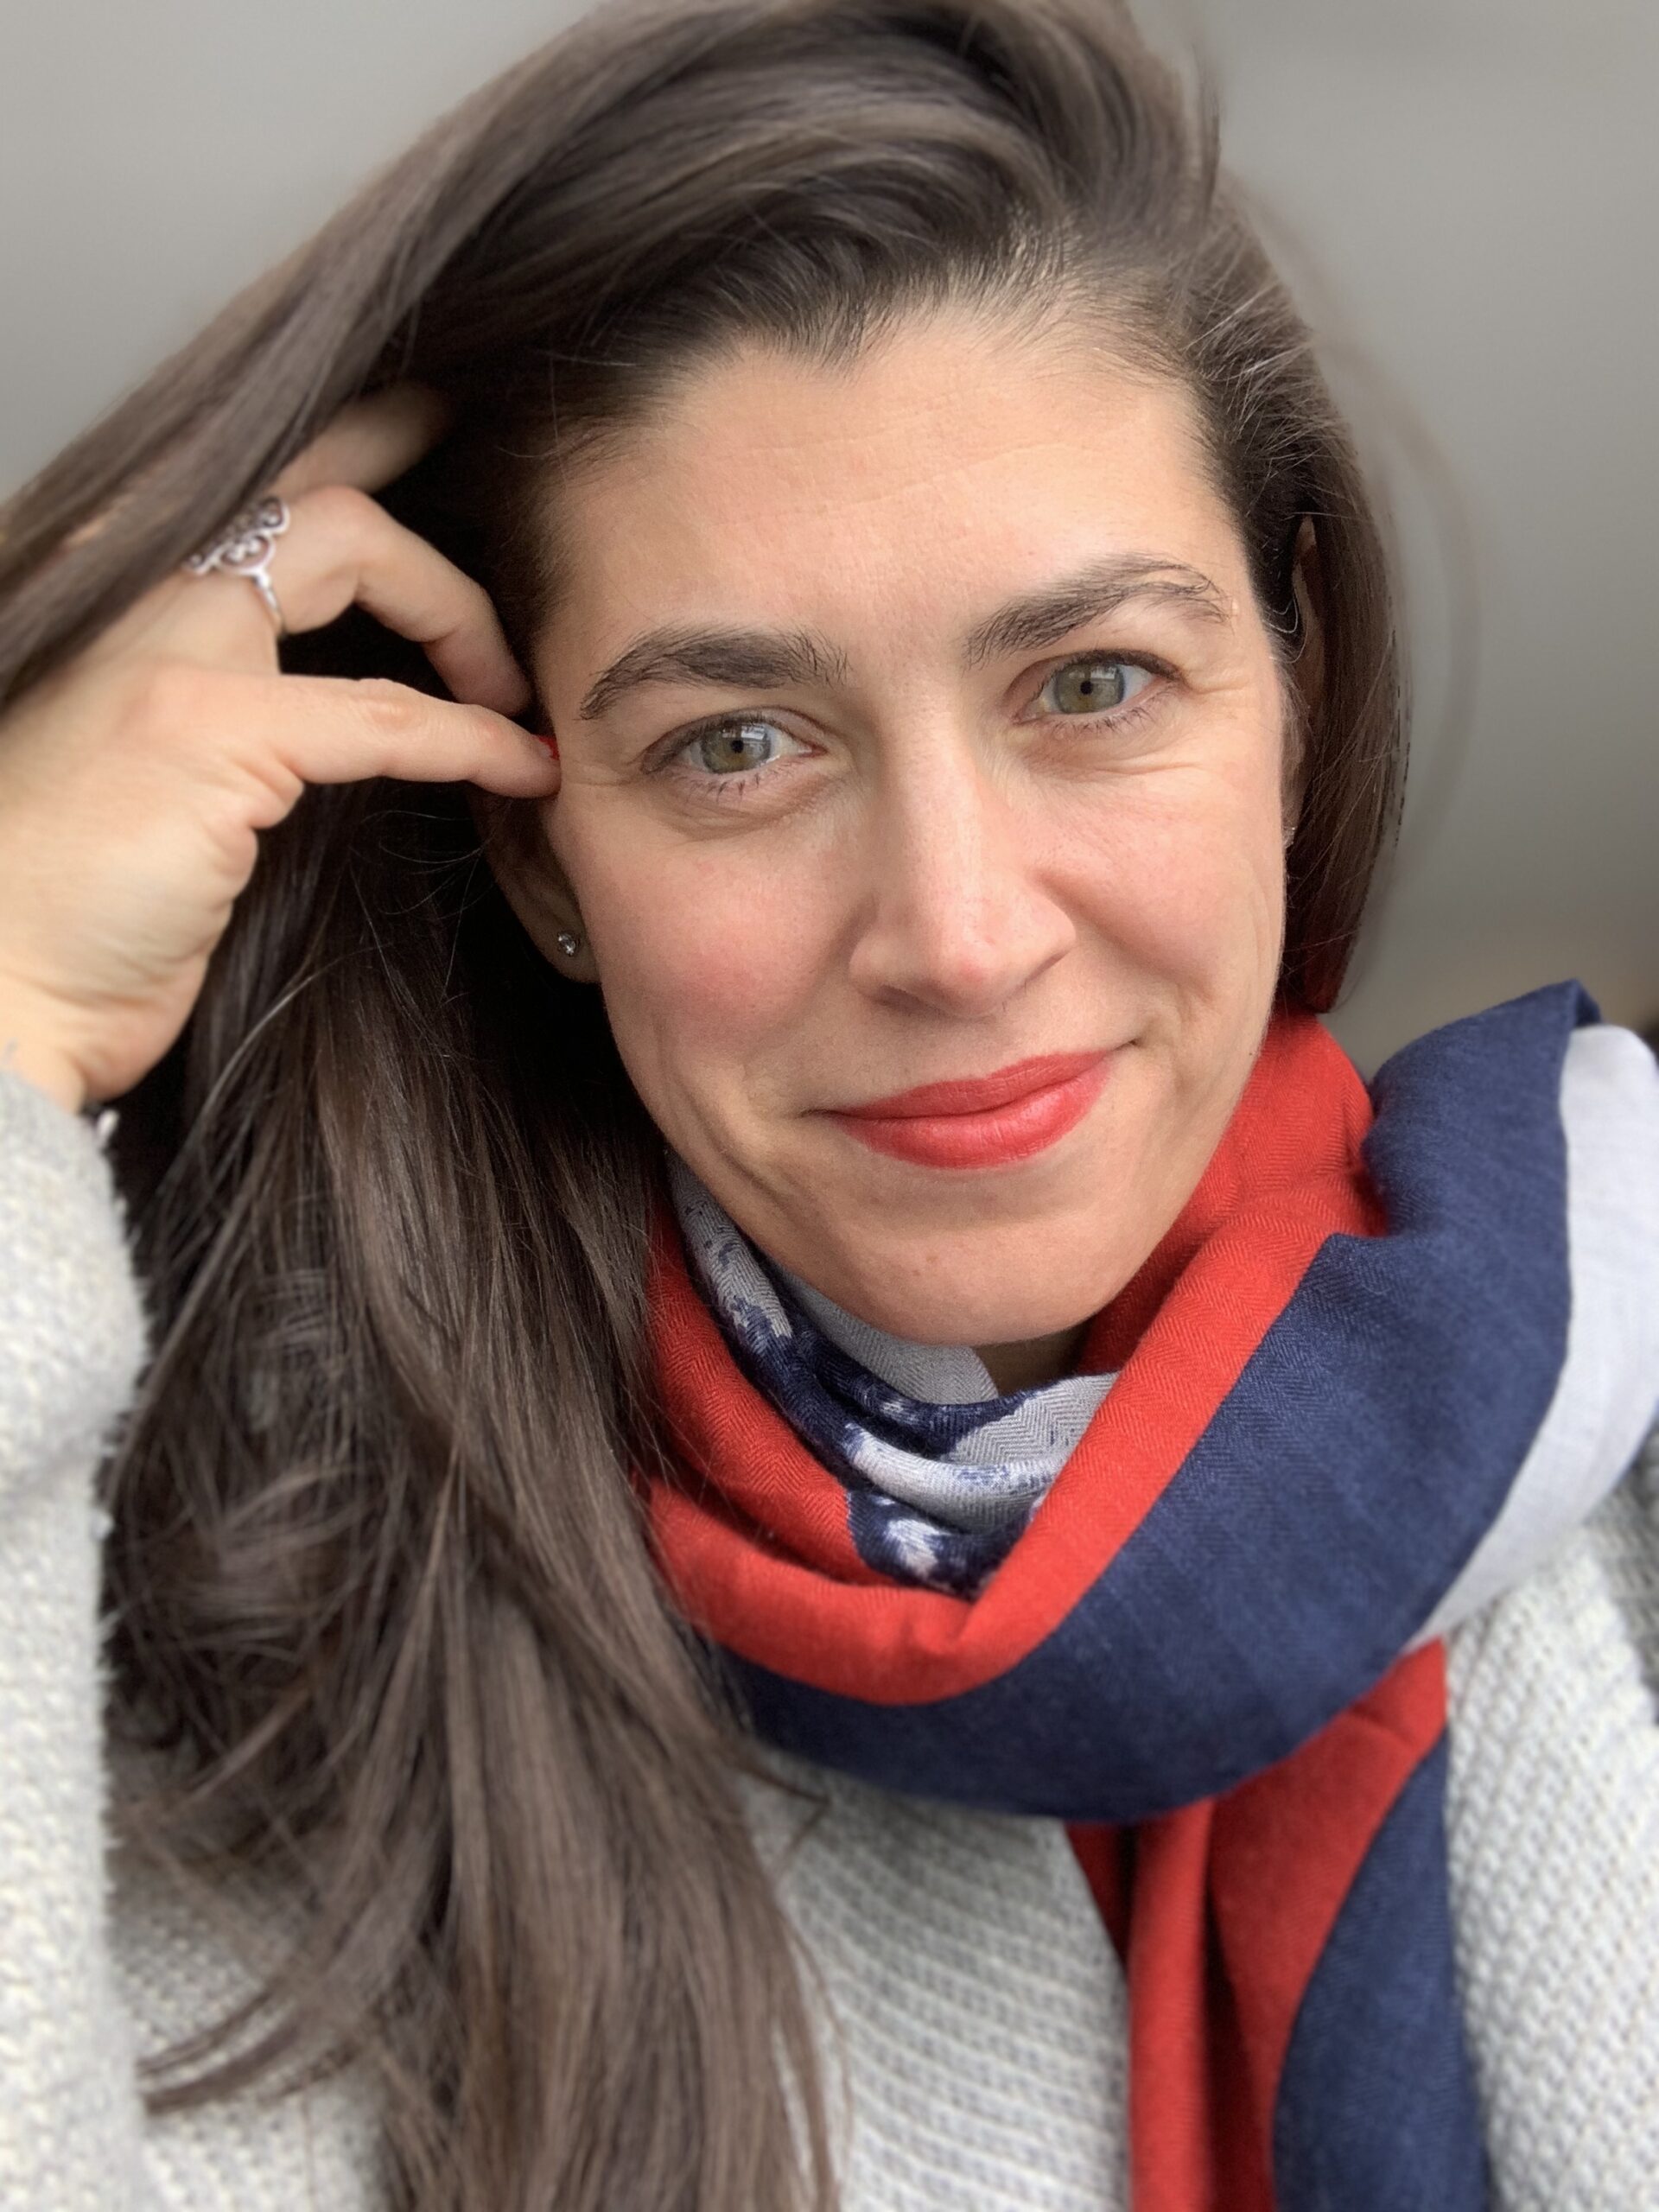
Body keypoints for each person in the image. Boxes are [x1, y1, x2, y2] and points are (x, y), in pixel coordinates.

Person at [2, 0, 1656, 2206]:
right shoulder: (253, 1645)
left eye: (1092, 684)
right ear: (540, 856)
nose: (956, 934)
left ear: (1294, 691)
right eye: (738, 745)